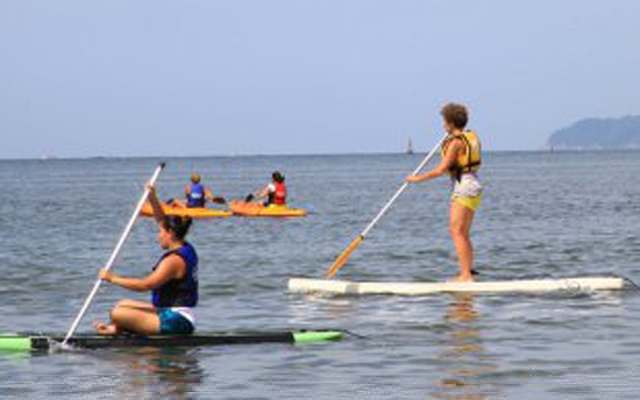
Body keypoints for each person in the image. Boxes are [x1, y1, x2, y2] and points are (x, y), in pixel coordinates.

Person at [93, 183, 198, 335]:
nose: (158, 236)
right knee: (122, 304)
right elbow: (161, 219)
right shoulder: (186, 247)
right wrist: (152, 197)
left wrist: (112, 278)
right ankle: (116, 329)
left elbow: (145, 284)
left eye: (160, 232)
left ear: (171, 233)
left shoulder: (174, 261)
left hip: (178, 320)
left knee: (117, 313)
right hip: (167, 311)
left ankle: (120, 329)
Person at [406, 103, 482, 282]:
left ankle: (465, 276)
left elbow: (441, 169)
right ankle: (468, 272)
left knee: (456, 231)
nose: (442, 125)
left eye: (444, 121)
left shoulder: (456, 142)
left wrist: (417, 179)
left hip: (465, 186)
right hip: (473, 184)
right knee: (462, 232)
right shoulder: (466, 137)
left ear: (451, 123)